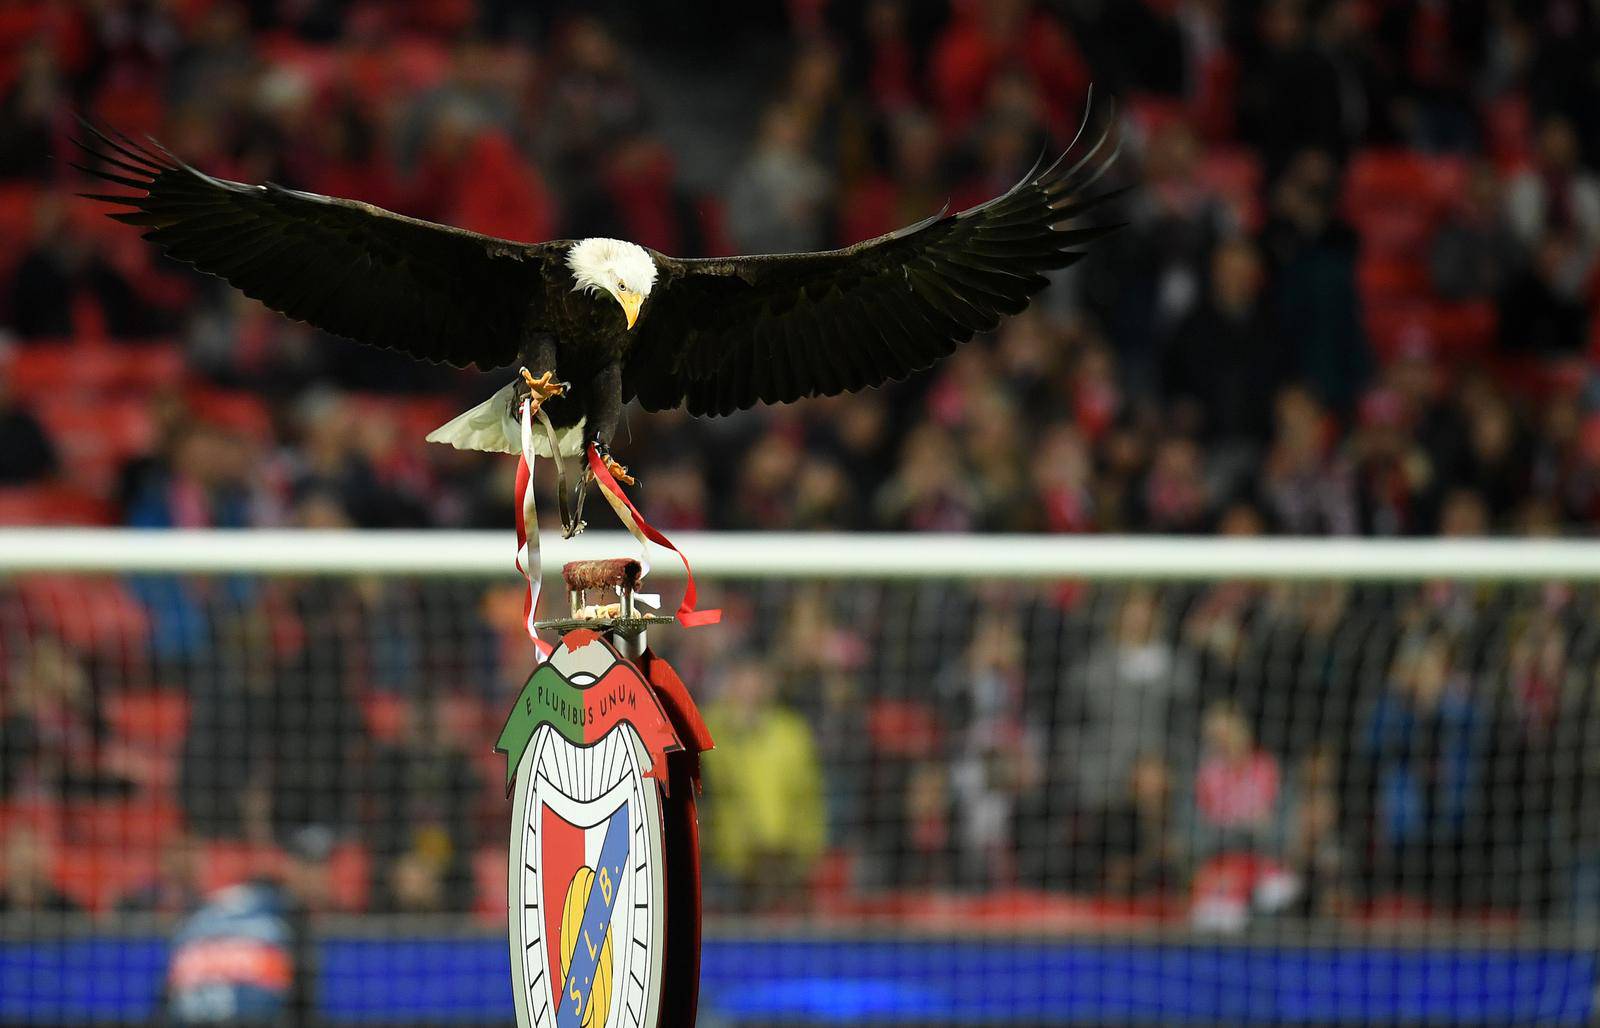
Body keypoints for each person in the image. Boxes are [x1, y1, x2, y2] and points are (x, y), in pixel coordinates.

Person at [163, 826, 330, 1025]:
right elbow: (303, 1003)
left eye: (323, 866)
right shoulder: (285, 916)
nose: (322, 876)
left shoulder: (222, 905)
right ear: (289, 865)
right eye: (311, 866)